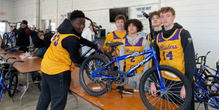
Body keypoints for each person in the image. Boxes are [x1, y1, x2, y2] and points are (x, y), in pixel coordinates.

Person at [36, 10, 104, 110]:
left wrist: (96, 46)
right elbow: (76, 59)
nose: (81, 26)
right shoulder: (71, 39)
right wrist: (93, 58)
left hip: (46, 66)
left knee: (45, 97)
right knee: (58, 101)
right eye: (79, 24)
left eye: (83, 24)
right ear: (72, 22)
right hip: (58, 71)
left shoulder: (64, 29)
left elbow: (79, 39)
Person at [150, 7, 195, 109]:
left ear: (173, 17)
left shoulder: (183, 33)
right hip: (164, 81)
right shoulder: (158, 36)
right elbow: (155, 61)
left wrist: (186, 85)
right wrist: (152, 82)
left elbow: (190, 61)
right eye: (162, 16)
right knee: (166, 107)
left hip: (181, 80)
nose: (165, 18)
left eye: (168, 15)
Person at [119, 19, 149, 89]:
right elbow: (121, 59)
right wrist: (121, 72)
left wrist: (145, 74)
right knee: (129, 96)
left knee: (142, 96)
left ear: (138, 27)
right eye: (129, 25)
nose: (131, 27)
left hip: (140, 73)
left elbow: (147, 59)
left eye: (134, 25)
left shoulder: (144, 41)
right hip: (128, 73)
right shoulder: (123, 42)